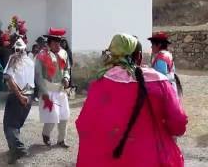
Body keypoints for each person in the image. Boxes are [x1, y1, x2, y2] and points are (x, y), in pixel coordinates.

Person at [76, 34, 188, 167]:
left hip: (108, 159)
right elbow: (178, 123)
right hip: (151, 158)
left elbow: (83, 123)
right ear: (139, 56)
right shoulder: (159, 82)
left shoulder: (99, 83)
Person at [35, 28, 70, 148]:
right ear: (49, 43)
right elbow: (38, 75)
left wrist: (66, 78)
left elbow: (66, 69)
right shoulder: (42, 55)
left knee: (64, 116)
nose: (57, 44)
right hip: (48, 90)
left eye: (59, 42)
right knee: (52, 117)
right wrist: (44, 93)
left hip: (60, 89)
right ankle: (46, 134)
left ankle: (61, 140)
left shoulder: (63, 53)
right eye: (55, 42)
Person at [3, 38, 35, 164]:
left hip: (18, 96)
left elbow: (8, 78)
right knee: (16, 125)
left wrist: (20, 96)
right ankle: (13, 152)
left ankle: (19, 148)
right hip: (29, 96)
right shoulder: (30, 61)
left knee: (9, 126)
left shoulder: (13, 59)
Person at [148, 32, 182, 96]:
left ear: (159, 45)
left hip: (164, 90)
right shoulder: (166, 54)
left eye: (153, 44)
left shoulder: (161, 57)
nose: (151, 47)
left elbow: (161, 76)